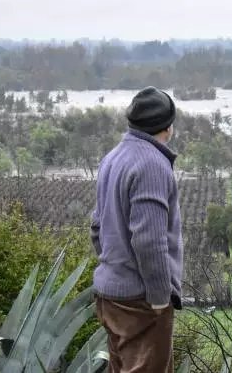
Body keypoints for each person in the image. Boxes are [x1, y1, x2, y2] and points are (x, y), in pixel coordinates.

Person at [91, 86, 182, 372]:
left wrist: (114, 267)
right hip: (140, 302)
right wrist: (158, 297)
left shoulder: (114, 158)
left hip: (111, 296)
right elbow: (149, 240)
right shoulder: (152, 165)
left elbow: (97, 226)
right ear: (168, 126)